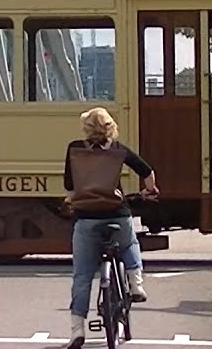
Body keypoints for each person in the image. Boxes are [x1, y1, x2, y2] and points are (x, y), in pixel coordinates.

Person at [62, 107, 158, 348]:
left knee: (82, 275)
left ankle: (77, 331)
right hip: (117, 213)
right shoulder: (118, 150)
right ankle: (136, 284)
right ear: (110, 127)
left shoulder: (75, 149)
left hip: (86, 218)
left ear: (86, 128)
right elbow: (147, 172)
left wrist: (74, 199)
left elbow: (69, 184)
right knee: (129, 243)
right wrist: (149, 191)